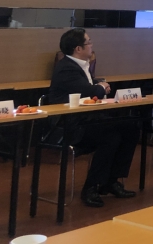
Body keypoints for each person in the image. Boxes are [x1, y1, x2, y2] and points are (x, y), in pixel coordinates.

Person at [49, 28, 140, 207]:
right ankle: (91, 187)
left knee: (131, 128)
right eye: (89, 42)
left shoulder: (80, 65)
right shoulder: (67, 68)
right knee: (110, 136)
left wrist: (99, 87)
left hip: (87, 119)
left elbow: (91, 91)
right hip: (70, 125)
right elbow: (90, 92)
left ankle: (111, 181)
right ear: (78, 49)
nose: (92, 46)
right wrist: (101, 87)